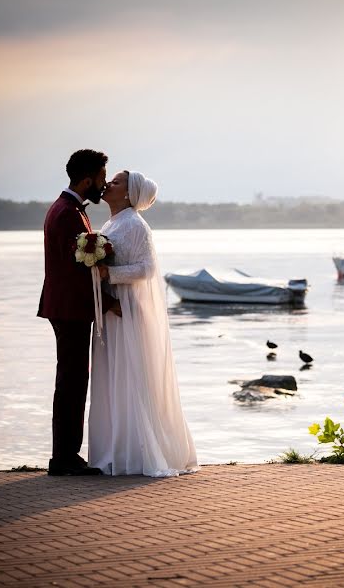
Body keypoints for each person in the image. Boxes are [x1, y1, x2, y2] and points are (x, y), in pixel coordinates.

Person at [88, 170, 198, 476]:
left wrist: (111, 274)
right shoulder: (112, 223)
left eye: (119, 181)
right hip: (112, 308)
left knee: (131, 374)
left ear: (129, 194)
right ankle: (118, 448)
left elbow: (147, 269)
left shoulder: (135, 224)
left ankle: (138, 451)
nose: (110, 182)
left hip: (128, 310)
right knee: (114, 375)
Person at [38, 149, 120, 476]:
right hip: (70, 309)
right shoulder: (68, 213)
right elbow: (78, 268)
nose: (103, 186)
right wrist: (109, 299)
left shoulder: (67, 208)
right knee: (72, 382)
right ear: (87, 180)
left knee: (71, 380)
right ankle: (64, 459)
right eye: (101, 180)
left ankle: (65, 456)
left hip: (66, 307)